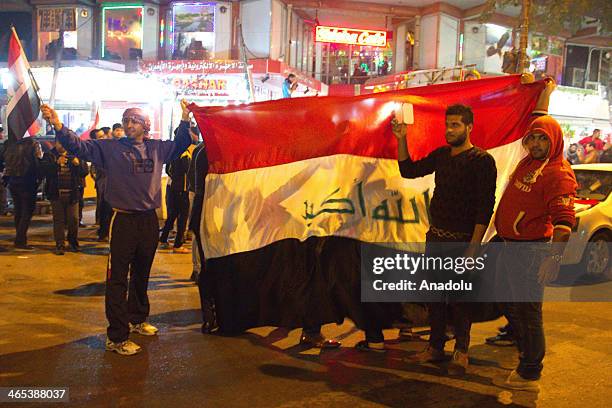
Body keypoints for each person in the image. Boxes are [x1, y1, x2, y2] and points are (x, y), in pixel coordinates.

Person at [41, 101, 192, 356]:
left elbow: (180, 144)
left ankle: (137, 319)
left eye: (134, 120)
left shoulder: (157, 148)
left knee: (142, 274)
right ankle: (117, 336)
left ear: (145, 126)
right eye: (126, 120)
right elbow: (79, 146)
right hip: (122, 221)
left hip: (148, 221)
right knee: (118, 279)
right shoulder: (108, 148)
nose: (128, 125)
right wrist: (57, 125)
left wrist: (185, 118)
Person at [390, 104, 497, 375]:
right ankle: (435, 347)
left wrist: (473, 248)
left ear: (469, 127)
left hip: (463, 243)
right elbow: (409, 171)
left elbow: (485, 207)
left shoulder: (482, 161)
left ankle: (461, 351)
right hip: (436, 238)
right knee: (434, 297)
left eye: (456, 125)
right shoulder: (441, 155)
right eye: (447, 125)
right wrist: (402, 139)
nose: (449, 130)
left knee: (461, 299)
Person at [494, 79, 577, 392]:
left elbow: (564, 222)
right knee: (510, 303)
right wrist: (544, 93)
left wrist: (553, 258)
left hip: (531, 251)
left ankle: (530, 371)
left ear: (554, 141)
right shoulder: (530, 161)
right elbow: (537, 117)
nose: (536, 143)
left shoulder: (558, 173)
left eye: (543, 139)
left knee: (529, 312)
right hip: (510, 246)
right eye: (533, 138)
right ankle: (523, 352)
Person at [39, 140, 89, 254]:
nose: (61, 146)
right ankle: (60, 244)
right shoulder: (50, 155)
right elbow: (44, 171)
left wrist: (78, 164)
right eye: (59, 143)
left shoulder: (75, 154)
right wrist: (56, 163)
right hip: (56, 193)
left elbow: (84, 172)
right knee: (59, 220)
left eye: (63, 143)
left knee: (74, 219)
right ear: (55, 143)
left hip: (72, 193)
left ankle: (73, 243)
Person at [0, 136, 42, 250]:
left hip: (13, 181)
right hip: (28, 180)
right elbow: (37, 162)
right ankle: (20, 240)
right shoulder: (33, 144)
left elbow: (4, 160)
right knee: (27, 211)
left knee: (18, 210)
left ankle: (20, 239)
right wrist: (39, 178)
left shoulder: (10, 144)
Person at [159, 129, 194, 254]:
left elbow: (168, 170)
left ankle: (163, 238)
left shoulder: (172, 151)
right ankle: (178, 244)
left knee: (172, 214)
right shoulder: (184, 153)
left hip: (173, 188)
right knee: (182, 216)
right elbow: (188, 172)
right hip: (181, 189)